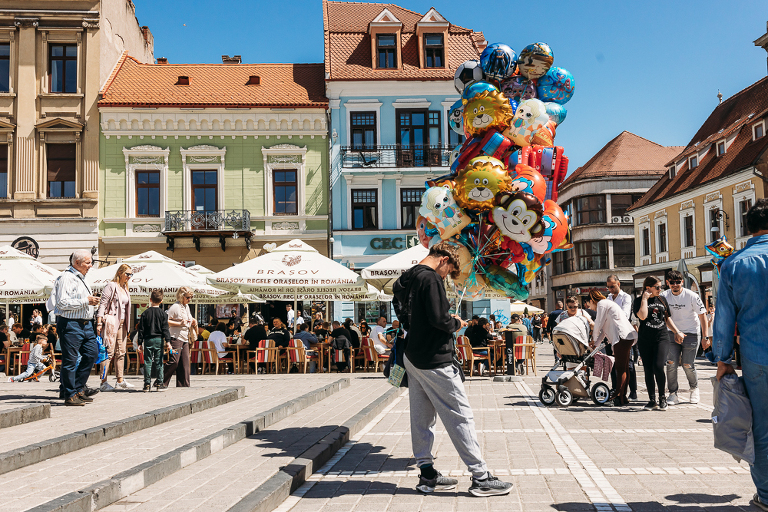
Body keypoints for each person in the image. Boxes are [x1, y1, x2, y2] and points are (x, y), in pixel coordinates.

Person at [393, 241, 512, 496]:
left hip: (412, 355)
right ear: (444, 259)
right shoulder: (431, 278)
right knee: (460, 415)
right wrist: (455, 322)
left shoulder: (406, 278)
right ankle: (480, 477)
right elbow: (439, 319)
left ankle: (427, 476)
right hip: (435, 358)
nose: (447, 277)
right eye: (449, 271)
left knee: (421, 418)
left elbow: (402, 312)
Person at [713, 199, 768, 511]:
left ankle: (767, 495)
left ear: (749, 228)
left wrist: (723, 359)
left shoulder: (734, 264)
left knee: (761, 428)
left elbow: (724, 317)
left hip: (757, 357)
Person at [51, 249, 101, 406]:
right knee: (70, 360)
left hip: (85, 324)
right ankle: (70, 394)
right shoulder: (66, 277)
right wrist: (86, 301)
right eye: (88, 262)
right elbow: (62, 303)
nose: (91, 265)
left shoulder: (81, 278)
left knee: (92, 354)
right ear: (77, 263)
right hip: (70, 323)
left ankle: (78, 388)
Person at [633, 276, 683, 411]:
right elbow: (642, 316)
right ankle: (651, 400)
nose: (660, 290)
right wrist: (644, 299)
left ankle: (662, 397)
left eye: (661, 287)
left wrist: (677, 331)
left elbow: (667, 319)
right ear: (648, 287)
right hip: (645, 339)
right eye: (657, 287)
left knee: (658, 366)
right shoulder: (638, 301)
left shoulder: (662, 299)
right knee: (648, 370)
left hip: (661, 338)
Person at [661, 269, 708, 405]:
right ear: (667, 283)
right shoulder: (664, 296)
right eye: (672, 283)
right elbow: (664, 317)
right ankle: (673, 393)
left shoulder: (692, 296)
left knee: (688, 364)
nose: (675, 285)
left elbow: (702, 316)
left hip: (691, 333)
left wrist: (705, 337)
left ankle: (694, 389)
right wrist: (675, 332)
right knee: (671, 364)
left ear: (682, 282)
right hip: (671, 333)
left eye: (678, 282)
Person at [589, 290, 638, 407]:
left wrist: (593, 338)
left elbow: (598, 323)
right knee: (624, 367)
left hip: (621, 336)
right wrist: (595, 343)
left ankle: (618, 396)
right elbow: (604, 330)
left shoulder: (602, 304)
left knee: (620, 368)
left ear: (592, 300)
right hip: (627, 336)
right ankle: (623, 396)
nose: (589, 307)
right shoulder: (608, 304)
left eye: (588, 304)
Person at [96, 263, 134, 391]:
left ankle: (120, 380)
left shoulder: (125, 288)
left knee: (121, 352)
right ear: (120, 273)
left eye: (131, 274)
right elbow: (102, 304)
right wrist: (99, 322)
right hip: (112, 323)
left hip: (122, 324)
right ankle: (103, 382)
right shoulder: (111, 286)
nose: (129, 276)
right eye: (127, 274)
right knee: (108, 352)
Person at [136, 290, 172, 392]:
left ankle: (147, 384)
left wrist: (139, 343)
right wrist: (168, 342)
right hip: (159, 339)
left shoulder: (145, 313)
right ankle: (159, 383)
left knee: (147, 361)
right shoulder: (163, 314)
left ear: (150, 300)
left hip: (148, 340)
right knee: (159, 361)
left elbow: (141, 330)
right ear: (161, 301)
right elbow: (165, 329)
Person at [164, 287, 197, 388]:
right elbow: (165, 321)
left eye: (191, 297)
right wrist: (179, 323)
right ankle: (160, 381)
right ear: (182, 296)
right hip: (175, 338)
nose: (189, 299)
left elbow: (189, 319)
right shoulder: (175, 307)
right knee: (174, 361)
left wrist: (194, 321)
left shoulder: (186, 307)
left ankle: (184, 385)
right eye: (188, 297)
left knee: (185, 364)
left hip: (185, 338)